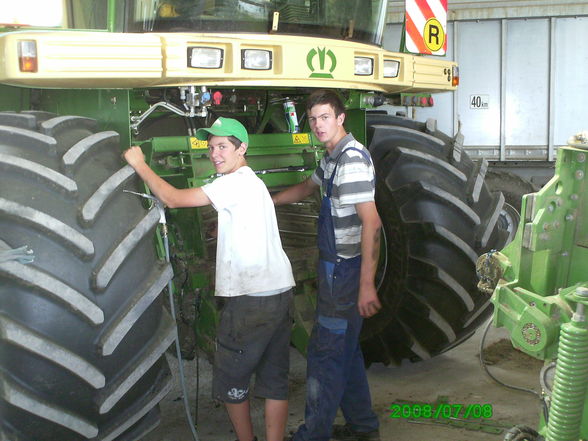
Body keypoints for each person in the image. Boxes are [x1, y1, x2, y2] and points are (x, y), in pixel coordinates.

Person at [123, 117, 295, 441]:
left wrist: (140, 165)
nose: (215, 154)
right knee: (275, 379)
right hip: (280, 294)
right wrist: (222, 227)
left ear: (242, 148)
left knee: (232, 378)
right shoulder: (253, 183)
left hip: (250, 301)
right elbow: (249, 221)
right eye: (211, 147)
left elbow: (173, 198)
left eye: (223, 147)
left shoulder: (233, 183)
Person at [272, 90, 382, 441]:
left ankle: (312, 435)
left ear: (340, 118)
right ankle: (364, 427)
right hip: (334, 268)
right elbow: (307, 187)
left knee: (325, 355)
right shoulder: (332, 157)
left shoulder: (350, 159)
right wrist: (266, 202)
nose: (318, 125)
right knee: (346, 351)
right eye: (313, 118)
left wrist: (366, 285)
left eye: (324, 117)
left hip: (346, 272)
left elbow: (372, 223)